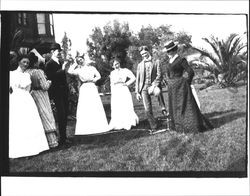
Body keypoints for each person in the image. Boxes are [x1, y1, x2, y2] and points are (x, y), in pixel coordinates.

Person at [163, 40, 213, 133]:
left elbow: (190, 72)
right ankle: (179, 126)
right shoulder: (169, 61)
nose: (168, 53)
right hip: (172, 88)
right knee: (175, 107)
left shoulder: (181, 59)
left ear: (174, 50)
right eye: (167, 51)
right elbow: (169, 74)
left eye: (170, 51)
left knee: (184, 106)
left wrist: (187, 83)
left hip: (181, 87)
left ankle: (191, 126)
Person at [9, 54, 49, 158]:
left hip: (27, 99)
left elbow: (28, 89)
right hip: (16, 98)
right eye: (23, 62)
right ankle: (20, 149)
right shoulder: (11, 74)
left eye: (27, 62)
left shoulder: (27, 75)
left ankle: (32, 148)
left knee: (29, 121)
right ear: (19, 62)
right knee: (18, 123)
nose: (25, 64)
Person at [67, 54, 109, 135]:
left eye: (81, 59)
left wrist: (94, 80)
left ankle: (98, 126)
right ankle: (86, 128)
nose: (80, 61)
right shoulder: (79, 70)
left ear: (84, 59)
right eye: (78, 61)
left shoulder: (91, 68)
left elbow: (98, 76)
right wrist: (75, 63)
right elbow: (69, 71)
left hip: (92, 86)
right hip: (84, 87)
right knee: (86, 106)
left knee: (94, 104)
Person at [25, 52, 59, 148]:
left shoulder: (27, 72)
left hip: (32, 94)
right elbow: (44, 86)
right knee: (46, 115)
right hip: (41, 94)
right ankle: (52, 142)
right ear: (35, 62)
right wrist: (49, 81)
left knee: (38, 116)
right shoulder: (38, 72)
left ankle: (42, 141)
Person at [135, 46, 167, 134]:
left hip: (153, 85)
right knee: (147, 108)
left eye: (145, 53)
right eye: (142, 54)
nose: (144, 55)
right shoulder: (140, 65)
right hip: (144, 88)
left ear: (148, 52)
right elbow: (138, 79)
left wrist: (154, 85)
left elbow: (159, 75)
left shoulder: (156, 62)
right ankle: (154, 126)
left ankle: (163, 108)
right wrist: (137, 92)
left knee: (158, 91)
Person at [44, 43, 69, 146]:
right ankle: (61, 139)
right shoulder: (49, 64)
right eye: (57, 51)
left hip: (64, 91)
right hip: (56, 92)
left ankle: (64, 137)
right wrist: (62, 69)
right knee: (61, 114)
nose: (59, 52)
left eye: (60, 51)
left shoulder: (60, 62)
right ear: (52, 52)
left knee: (65, 114)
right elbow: (50, 77)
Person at [108, 57, 139, 131]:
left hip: (123, 89)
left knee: (126, 104)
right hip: (116, 91)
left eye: (117, 63)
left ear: (119, 63)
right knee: (118, 106)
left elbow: (133, 78)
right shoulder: (112, 73)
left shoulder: (125, 70)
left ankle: (128, 122)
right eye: (114, 65)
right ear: (112, 66)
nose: (116, 66)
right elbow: (111, 84)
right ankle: (119, 123)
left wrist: (126, 84)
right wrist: (113, 93)